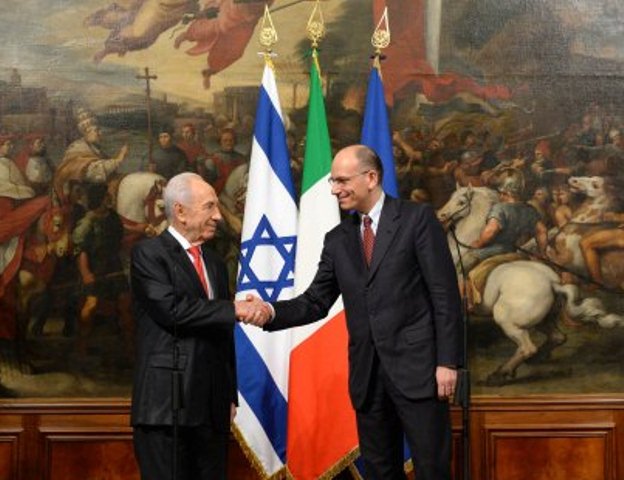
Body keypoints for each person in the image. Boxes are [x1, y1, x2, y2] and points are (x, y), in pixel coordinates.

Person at [243, 145, 464, 480]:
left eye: (342, 181)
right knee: (379, 471)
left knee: (432, 468)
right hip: (368, 377)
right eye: (333, 181)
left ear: (371, 177)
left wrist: (447, 363)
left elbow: (444, 296)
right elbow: (315, 301)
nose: (334, 189)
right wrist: (269, 311)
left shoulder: (416, 220)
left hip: (420, 372)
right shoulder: (338, 238)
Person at [129, 172, 264, 480]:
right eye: (209, 207)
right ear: (180, 211)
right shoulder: (148, 254)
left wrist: (229, 394)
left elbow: (221, 332)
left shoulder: (215, 263)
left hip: (211, 408)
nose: (218, 216)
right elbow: (172, 310)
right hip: (166, 405)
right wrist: (234, 308)